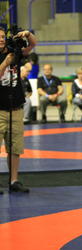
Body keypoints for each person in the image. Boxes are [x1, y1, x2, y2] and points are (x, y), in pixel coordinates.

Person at [0, 27, 36, 194]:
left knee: (15, 147)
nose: (1, 39)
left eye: (2, 36)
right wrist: (5, 63)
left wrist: (27, 34)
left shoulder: (14, 51)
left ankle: (14, 180)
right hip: (0, 109)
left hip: (16, 107)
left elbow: (32, 45)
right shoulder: (7, 57)